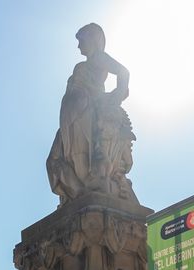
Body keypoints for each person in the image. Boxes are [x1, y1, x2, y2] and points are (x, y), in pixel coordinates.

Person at [47, 23, 138, 205]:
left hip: (84, 113)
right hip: (70, 117)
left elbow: (123, 72)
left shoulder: (97, 57)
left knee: (66, 161)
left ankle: (84, 193)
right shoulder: (90, 61)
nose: (79, 46)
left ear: (94, 39)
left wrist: (117, 94)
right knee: (52, 161)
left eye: (82, 40)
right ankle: (79, 195)